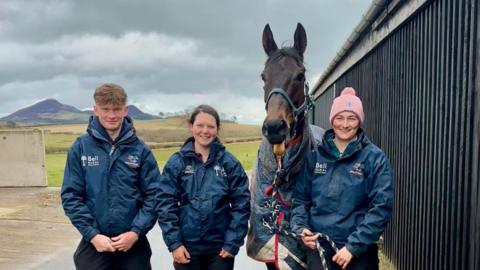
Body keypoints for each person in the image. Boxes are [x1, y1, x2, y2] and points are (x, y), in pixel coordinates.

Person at [291, 87, 394, 270]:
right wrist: (300, 227)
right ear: (332, 120)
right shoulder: (314, 157)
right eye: (339, 118)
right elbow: (300, 199)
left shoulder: (375, 159)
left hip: (359, 251)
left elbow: (381, 208)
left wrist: (352, 247)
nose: (345, 125)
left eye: (352, 118)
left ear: (359, 121)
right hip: (320, 246)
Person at [61, 83, 160, 270]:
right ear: (95, 110)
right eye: (106, 109)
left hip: (132, 242)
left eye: (116, 109)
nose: (112, 115)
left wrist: (135, 232)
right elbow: (71, 196)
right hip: (96, 242)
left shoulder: (141, 150)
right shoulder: (80, 147)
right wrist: (92, 235)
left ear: (125, 110)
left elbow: (154, 196)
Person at [157, 104, 250, 270]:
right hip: (186, 249)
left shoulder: (230, 163)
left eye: (211, 126)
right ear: (191, 126)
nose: (205, 131)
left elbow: (241, 205)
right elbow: (165, 204)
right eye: (200, 125)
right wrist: (175, 243)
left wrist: (232, 243)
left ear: (217, 129)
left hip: (220, 250)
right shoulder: (177, 162)